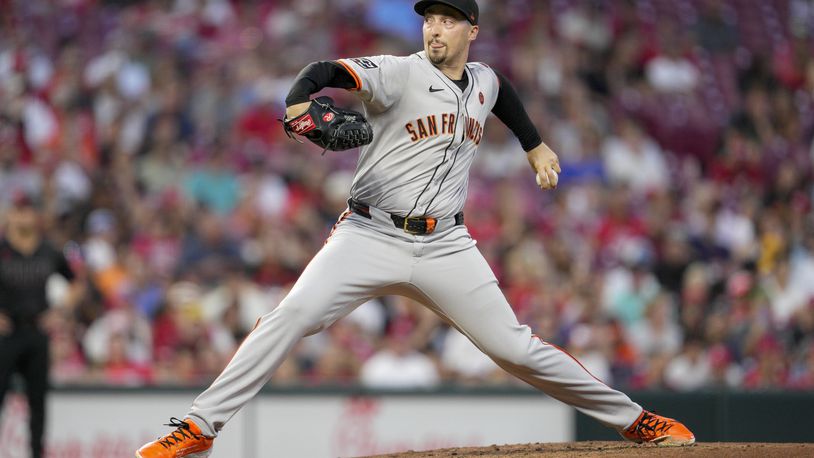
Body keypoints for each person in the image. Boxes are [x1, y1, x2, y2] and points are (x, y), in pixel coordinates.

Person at [137, 1, 695, 456]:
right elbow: (327, 73)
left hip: (446, 244)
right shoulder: (402, 72)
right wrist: (298, 102)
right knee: (291, 317)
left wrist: (534, 144)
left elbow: (503, 98)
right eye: (429, 18)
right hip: (369, 233)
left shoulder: (484, 81)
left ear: (471, 30)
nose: (435, 27)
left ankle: (635, 420)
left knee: (516, 350)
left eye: (448, 19)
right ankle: (199, 428)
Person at [0, 192, 84, 458]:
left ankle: (36, 454)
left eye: (27, 210)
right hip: (6, 333)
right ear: (10, 215)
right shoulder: (2, 249)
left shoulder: (48, 250)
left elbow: (77, 282)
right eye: (18, 210)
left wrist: (59, 311)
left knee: (38, 402)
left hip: (37, 331)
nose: (23, 216)